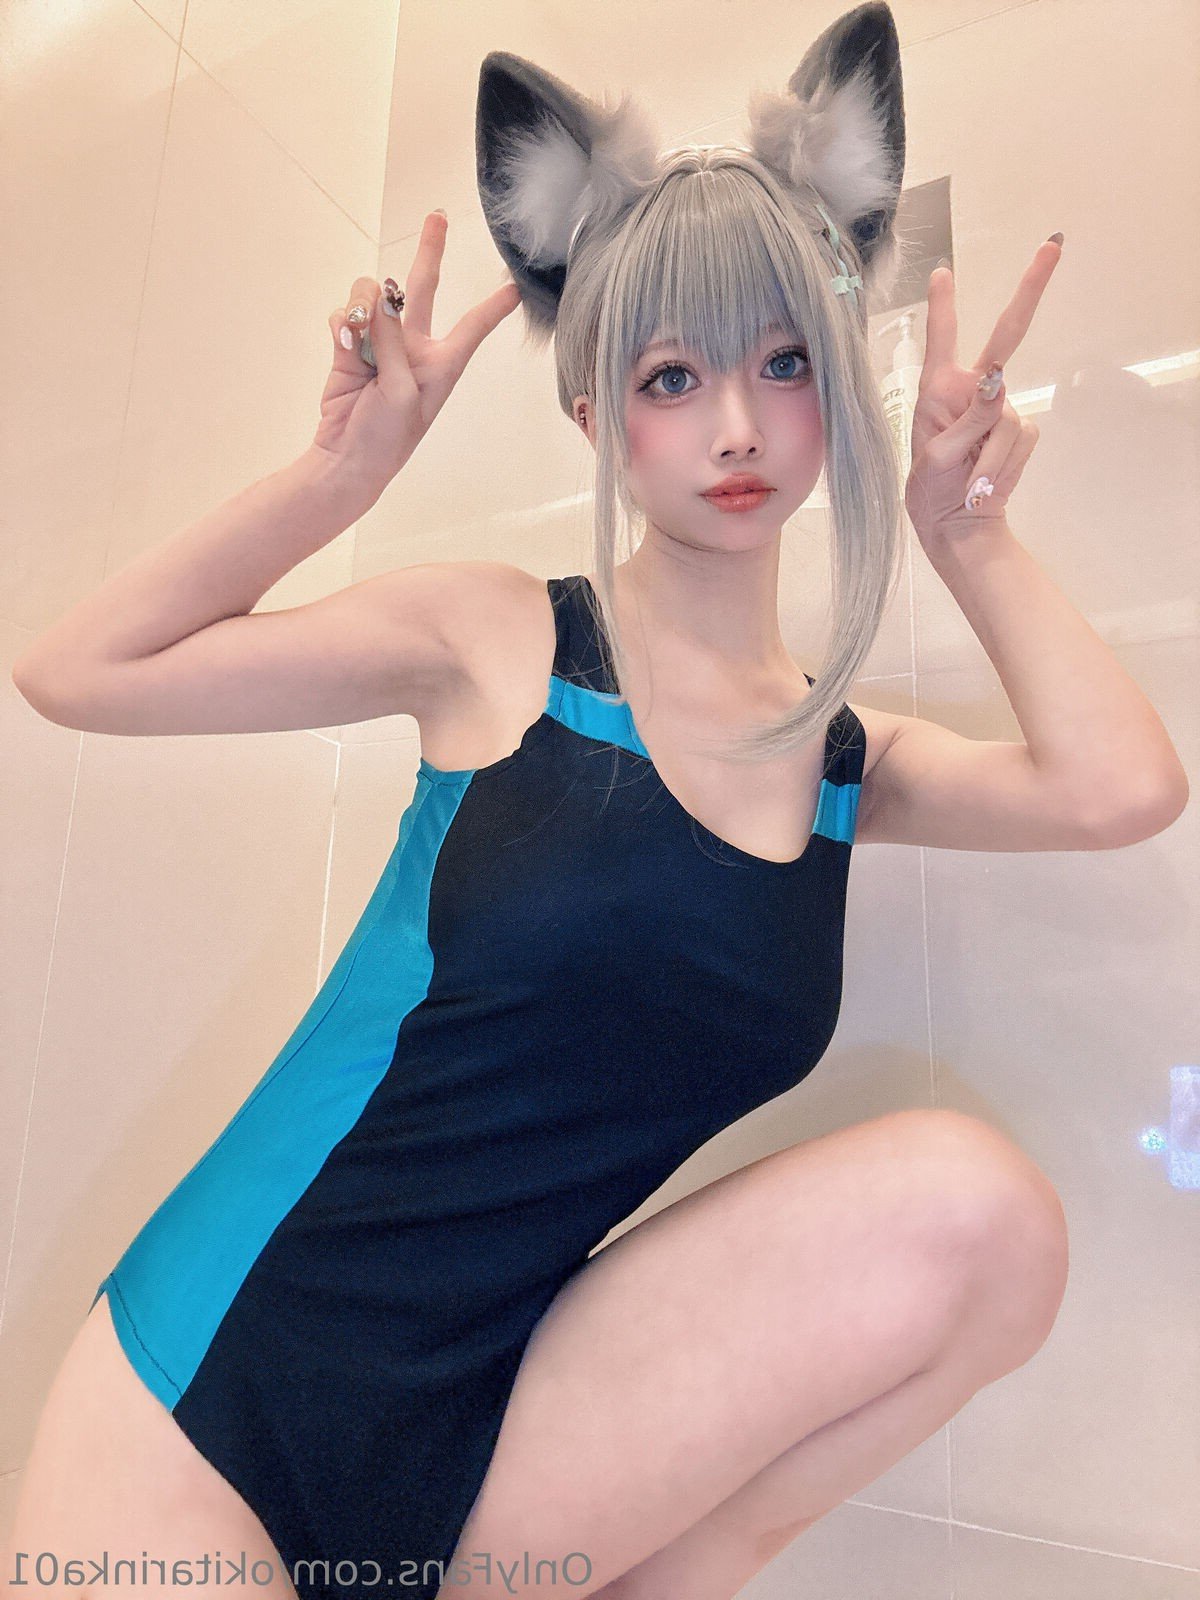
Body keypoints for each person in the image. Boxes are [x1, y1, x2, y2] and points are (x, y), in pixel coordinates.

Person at [7, 4, 1185, 1598]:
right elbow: (78, 671)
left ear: (836, 392)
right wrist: (341, 480)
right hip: (218, 1399)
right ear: (594, 416)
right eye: (672, 374)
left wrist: (968, 535)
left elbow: (1121, 789)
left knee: (987, 1225)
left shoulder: (843, 764)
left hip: (506, 1429)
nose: (736, 424)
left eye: (785, 363)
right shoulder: (498, 641)